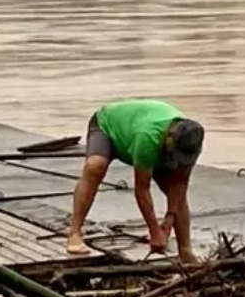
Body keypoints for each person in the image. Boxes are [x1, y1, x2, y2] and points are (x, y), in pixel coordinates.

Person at [67, 99, 205, 263]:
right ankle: (74, 232)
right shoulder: (148, 137)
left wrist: (169, 219)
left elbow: (180, 184)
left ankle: (185, 250)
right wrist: (155, 230)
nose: (178, 158)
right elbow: (142, 189)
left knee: (176, 195)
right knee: (95, 166)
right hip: (107, 126)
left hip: (143, 137)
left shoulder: (191, 143)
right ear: (169, 137)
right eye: (175, 152)